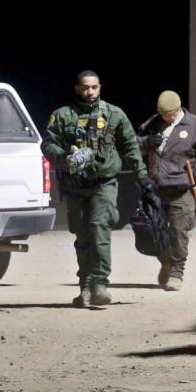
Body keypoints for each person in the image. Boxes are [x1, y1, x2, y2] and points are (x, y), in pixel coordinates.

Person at [42, 70, 159, 308]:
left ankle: (100, 284)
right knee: (83, 235)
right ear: (77, 88)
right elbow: (48, 142)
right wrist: (65, 158)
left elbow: (130, 147)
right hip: (75, 186)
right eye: (85, 87)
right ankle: (85, 287)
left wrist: (143, 178)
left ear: (100, 87)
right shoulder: (63, 115)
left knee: (99, 229)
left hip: (103, 184)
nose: (90, 92)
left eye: (94, 87)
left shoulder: (114, 114)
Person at [137, 90, 196, 291]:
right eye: (163, 114)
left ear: (178, 109)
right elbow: (132, 146)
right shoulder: (152, 124)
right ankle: (166, 260)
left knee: (179, 229)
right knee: (154, 231)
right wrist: (146, 142)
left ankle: (176, 272)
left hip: (182, 187)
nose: (166, 118)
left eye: (169, 114)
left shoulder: (194, 125)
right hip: (155, 187)